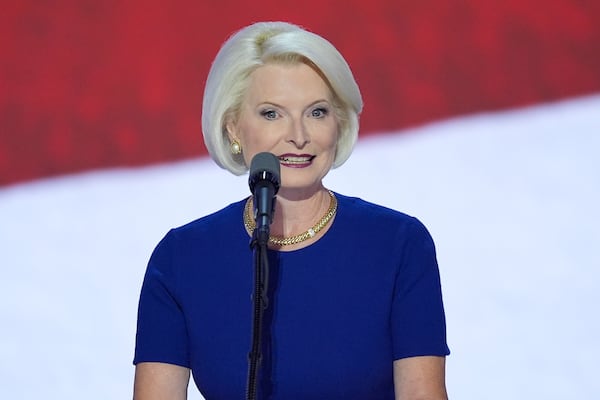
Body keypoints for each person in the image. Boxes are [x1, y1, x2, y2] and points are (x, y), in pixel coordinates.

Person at [133, 21, 450, 399]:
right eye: (272, 114)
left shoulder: (398, 245)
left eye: (317, 112)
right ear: (233, 127)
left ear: (339, 122)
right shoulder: (181, 257)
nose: (298, 135)